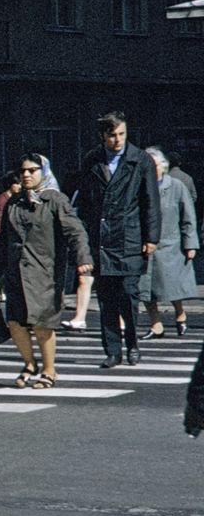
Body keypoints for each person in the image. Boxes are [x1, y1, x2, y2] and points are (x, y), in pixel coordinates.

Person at [0, 154, 91, 389]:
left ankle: (49, 370)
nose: (26, 175)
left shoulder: (55, 200)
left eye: (32, 170)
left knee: (41, 323)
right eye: (23, 171)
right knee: (15, 322)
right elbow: (3, 239)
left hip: (45, 273)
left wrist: (83, 258)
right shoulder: (13, 202)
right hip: (16, 271)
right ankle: (29, 364)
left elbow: (75, 231)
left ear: (43, 172)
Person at [79, 111, 162, 368]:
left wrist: (151, 237)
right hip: (102, 240)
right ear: (102, 135)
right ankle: (113, 351)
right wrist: (85, 241)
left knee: (128, 294)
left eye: (122, 134)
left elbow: (151, 202)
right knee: (106, 299)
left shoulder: (140, 160)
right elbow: (85, 203)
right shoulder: (92, 160)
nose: (118, 139)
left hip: (130, 238)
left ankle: (133, 345)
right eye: (112, 135)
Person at [140, 147, 198, 338]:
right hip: (146, 245)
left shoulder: (176, 186)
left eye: (154, 165)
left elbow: (188, 216)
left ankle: (180, 315)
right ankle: (156, 325)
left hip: (170, 245)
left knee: (172, 287)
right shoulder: (139, 186)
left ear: (162, 166)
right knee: (146, 289)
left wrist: (190, 244)